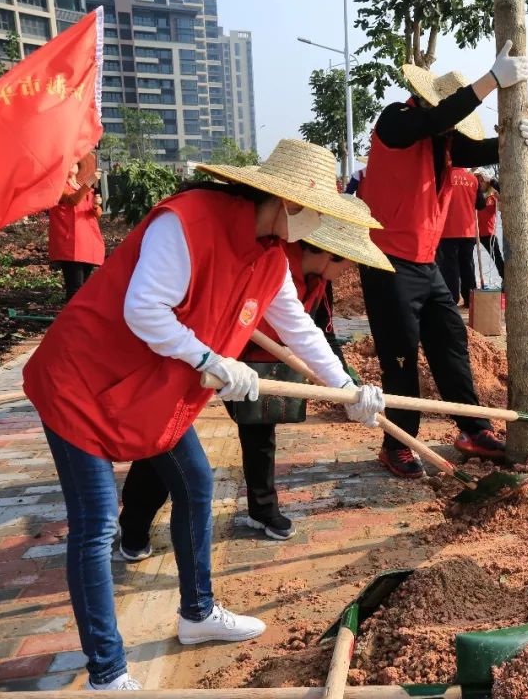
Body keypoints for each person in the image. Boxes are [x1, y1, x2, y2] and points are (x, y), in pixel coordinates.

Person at [20, 139, 387, 691]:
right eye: (316, 213)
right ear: (286, 202)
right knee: (95, 524)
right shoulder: (187, 222)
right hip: (82, 379)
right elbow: (144, 308)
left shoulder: (271, 257)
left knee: (195, 483)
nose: (318, 228)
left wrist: (348, 389)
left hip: (150, 389)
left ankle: (197, 613)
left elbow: (299, 329)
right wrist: (211, 359)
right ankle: (106, 672)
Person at [117, 208, 391, 551]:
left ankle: (262, 510)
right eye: (348, 263)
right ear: (329, 253)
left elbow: (311, 333)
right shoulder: (262, 254)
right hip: (196, 351)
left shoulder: (304, 276)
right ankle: (134, 525)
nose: (348, 272)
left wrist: (348, 387)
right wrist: (215, 361)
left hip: (259, 363)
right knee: (168, 435)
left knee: (260, 434)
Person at [357, 43, 528, 476]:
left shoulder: (444, 141)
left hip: (425, 262)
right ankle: (397, 444)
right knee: (401, 359)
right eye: (448, 116)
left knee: (451, 343)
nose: (452, 127)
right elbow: (434, 120)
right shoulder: (396, 120)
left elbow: (482, 149)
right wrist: (490, 81)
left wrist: (518, 138)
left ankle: (473, 430)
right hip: (387, 262)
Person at [48, 157, 105, 300]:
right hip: (71, 242)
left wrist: (96, 206)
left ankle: (77, 312)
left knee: (83, 287)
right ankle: (72, 313)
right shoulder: (59, 187)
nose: (72, 164)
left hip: (88, 240)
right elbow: (73, 200)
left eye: (75, 162)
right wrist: (89, 183)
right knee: (75, 287)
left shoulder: (81, 186)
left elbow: (96, 214)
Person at [436, 167, 480, 307]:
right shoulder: (473, 179)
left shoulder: (443, 175)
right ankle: (470, 300)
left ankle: (452, 299)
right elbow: (480, 204)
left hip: (448, 230)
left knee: (450, 267)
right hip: (468, 230)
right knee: (467, 265)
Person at [475, 171, 504, 281]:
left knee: (497, 258)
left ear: (487, 183)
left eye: (482, 181)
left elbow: (503, 207)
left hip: (488, 233)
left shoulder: (493, 196)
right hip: (473, 232)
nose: (479, 183)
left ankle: (505, 280)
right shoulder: (474, 195)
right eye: (478, 181)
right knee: (464, 258)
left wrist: (499, 198)